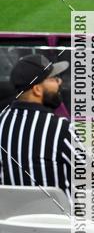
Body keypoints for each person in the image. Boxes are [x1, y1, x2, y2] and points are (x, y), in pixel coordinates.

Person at [0, 54, 71, 196]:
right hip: (58, 211)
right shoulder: (62, 129)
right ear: (37, 89)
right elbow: (91, 177)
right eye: (53, 78)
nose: (59, 82)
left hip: (10, 211)